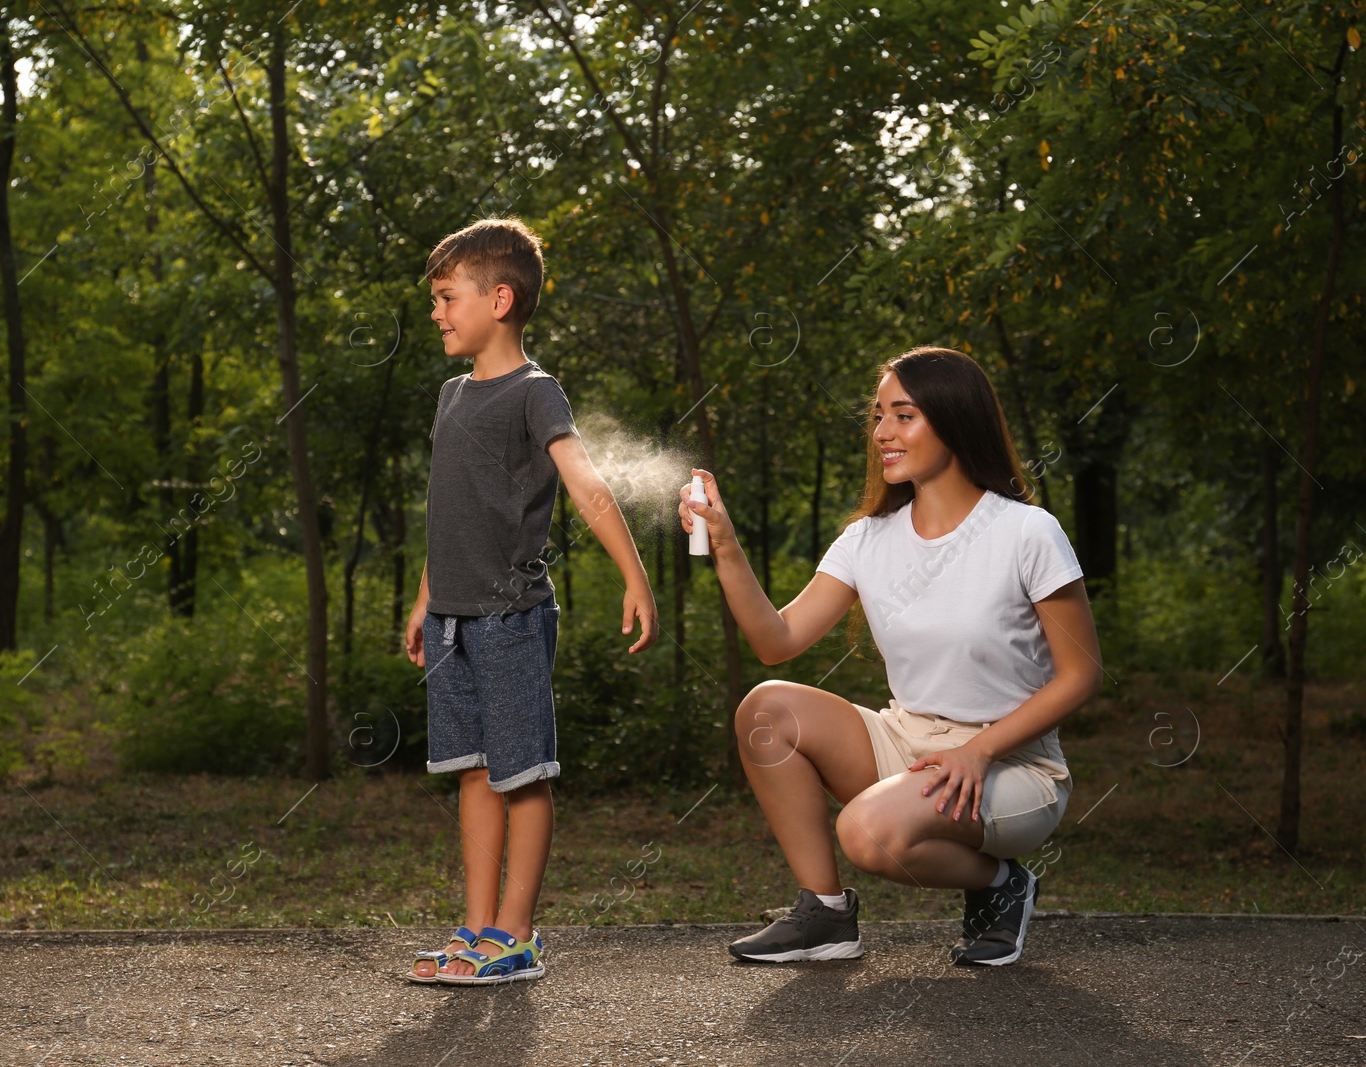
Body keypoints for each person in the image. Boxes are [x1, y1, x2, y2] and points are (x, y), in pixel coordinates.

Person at [679, 347, 1100, 966]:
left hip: (1012, 764)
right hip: (909, 740)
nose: (881, 434)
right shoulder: (868, 539)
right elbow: (776, 642)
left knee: (867, 832)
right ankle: (824, 915)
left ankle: (1000, 885)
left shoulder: (1026, 532)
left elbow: (1083, 674)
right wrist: (726, 545)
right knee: (766, 709)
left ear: (954, 420)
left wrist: (976, 751)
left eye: (903, 416)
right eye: (879, 417)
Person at [404, 218, 659, 985]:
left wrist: (635, 575)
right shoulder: (451, 395)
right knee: (473, 771)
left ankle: (517, 933)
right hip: (451, 620)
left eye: (449, 298)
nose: (438, 313)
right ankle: (478, 928)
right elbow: (450, 512)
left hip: (511, 617)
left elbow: (586, 483)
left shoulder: (534, 390)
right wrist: (425, 598)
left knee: (523, 774)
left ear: (501, 298)